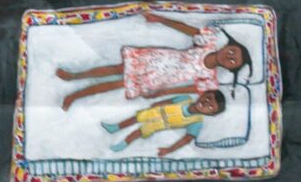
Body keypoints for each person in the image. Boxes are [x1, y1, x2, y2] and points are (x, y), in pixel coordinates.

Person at [56, 13, 253, 111]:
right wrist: (160, 19)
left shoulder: (209, 80)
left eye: (233, 61)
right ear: (228, 46)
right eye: (232, 52)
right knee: (114, 69)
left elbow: (187, 90)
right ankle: (74, 75)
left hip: (158, 79)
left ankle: (75, 96)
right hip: (155, 59)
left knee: (115, 84)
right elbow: (185, 29)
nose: (230, 57)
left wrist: (163, 92)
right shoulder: (208, 42)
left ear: (230, 68)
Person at [102, 90, 226, 156]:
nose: (205, 103)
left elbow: (186, 139)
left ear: (211, 114)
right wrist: (157, 104)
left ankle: (124, 143)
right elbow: (170, 101)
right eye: (208, 98)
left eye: (210, 107)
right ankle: (115, 127)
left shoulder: (197, 122)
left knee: (139, 132)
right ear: (203, 94)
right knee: (135, 118)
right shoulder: (185, 99)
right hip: (155, 112)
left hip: (159, 125)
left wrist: (169, 150)